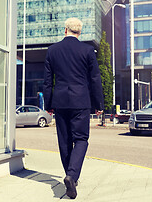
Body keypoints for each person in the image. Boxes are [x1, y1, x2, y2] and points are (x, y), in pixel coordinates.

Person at [44, 18, 104, 199]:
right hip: (81, 101)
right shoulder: (87, 50)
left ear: (65, 30)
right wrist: (98, 104)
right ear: (79, 32)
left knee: (64, 141)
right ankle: (72, 175)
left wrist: (48, 104)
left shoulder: (52, 50)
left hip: (60, 102)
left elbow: (47, 81)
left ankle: (71, 176)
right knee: (81, 139)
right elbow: (95, 79)